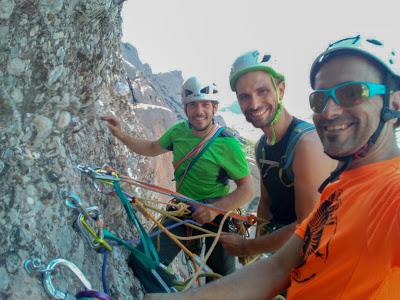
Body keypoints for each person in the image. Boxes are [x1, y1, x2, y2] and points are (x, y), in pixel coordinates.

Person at [145, 35, 400, 299]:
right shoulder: (337, 191)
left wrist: (248, 246)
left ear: (394, 103)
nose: (330, 111)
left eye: (352, 93)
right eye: (320, 99)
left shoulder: (390, 192)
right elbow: (277, 268)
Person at [101, 76, 254, 282]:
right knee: (142, 260)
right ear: (185, 107)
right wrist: (121, 135)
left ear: (214, 108)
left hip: (218, 213)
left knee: (222, 279)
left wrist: (214, 209)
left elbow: (247, 189)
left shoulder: (228, 144)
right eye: (193, 105)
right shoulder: (178, 132)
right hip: (183, 209)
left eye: (205, 105)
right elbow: (152, 148)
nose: (199, 111)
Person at [219, 50, 335, 258]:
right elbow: (266, 203)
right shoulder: (262, 146)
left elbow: (309, 227)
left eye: (262, 91)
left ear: (280, 91)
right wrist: (257, 253)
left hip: (316, 261)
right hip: (283, 256)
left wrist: (249, 248)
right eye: (244, 96)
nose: (254, 104)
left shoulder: (307, 144)